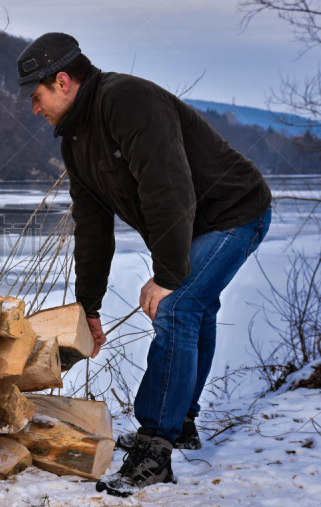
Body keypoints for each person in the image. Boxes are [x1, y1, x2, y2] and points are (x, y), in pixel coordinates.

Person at [16, 33, 272, 497]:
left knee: (177, 308)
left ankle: (156, 446)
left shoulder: (126, 100)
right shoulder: (75, 144)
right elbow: (92, 230)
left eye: (37, 96)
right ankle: (183, 421)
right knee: (196, 308)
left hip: (235, 212)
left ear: (63, 81)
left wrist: (168, 276)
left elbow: (169, 188)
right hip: (194, 224)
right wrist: (88, 307)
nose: (34, 109)